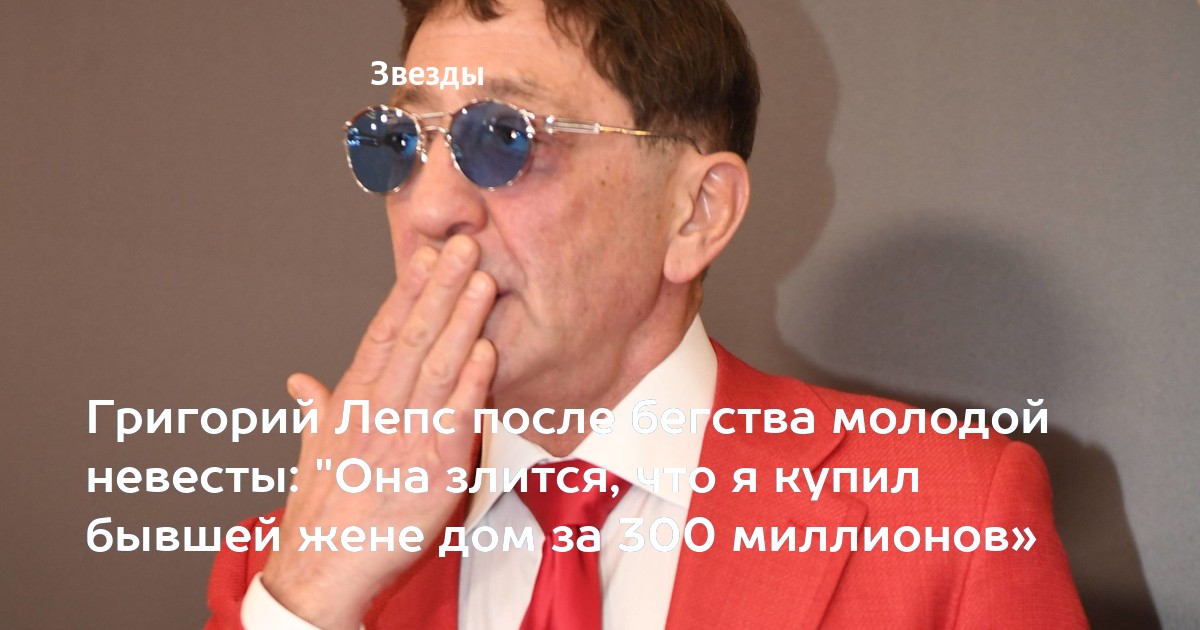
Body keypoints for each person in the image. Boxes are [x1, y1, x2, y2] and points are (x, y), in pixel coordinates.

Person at [206, 0, 1087, 627]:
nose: (429, 207)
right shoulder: (285, 567)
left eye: (501, 137)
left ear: (695, 213)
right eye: (398, 143)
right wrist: (309, 600)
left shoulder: (952, 519)